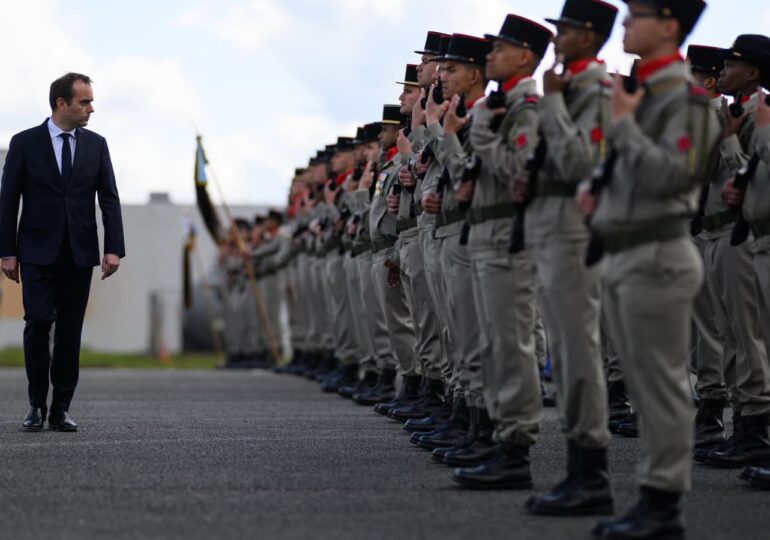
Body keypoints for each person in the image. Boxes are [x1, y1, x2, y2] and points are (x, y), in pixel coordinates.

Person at [580, 1, 720, 537]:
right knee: (645, 384)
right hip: (629, 250)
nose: (625, 25)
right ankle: (651, 498)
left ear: (668, 26)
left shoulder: (686, 99)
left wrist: (621, 129)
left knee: (661, 387)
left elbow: (671, 176)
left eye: (637, 15)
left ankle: (663, 504)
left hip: (658, 253)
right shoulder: (645, 96)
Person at [523, 0, 618, 517]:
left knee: (579, 355)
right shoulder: (569, 86)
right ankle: (578, 468)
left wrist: (554, 106)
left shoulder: (593, 90)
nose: (557, 36)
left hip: (574, 230)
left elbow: (581, 160)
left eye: (566, 29)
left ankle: (591, 472)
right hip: (550, 227)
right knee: (565, 351)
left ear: (589, 36)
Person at [0, 72, 125, 432]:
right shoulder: (24, 143)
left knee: (70, 332)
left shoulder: (97, 145)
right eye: (84, 102)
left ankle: (61, 408)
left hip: (79, 252)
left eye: (90, 101)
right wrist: (7, 251)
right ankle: (36, 405)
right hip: (36, 251)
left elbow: (110, 199)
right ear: (61, 103)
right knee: (38, 322)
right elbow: (8, 200)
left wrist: (113, 248)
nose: (91, 108)